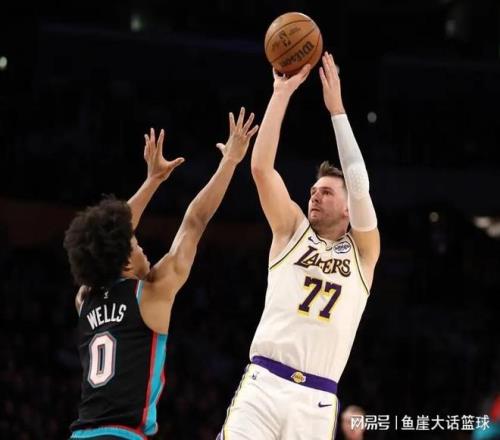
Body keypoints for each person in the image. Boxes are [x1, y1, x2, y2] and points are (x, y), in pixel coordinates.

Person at [64, 108, 258, 440]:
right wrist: (230, 162)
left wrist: (152, 180)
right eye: (136, 244)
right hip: (123, 435)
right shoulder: (150, 292)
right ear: (125, 263)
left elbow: (105, 235)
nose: (142, 247)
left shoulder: (85, 299)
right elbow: (194, 221)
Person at [218, 52, 380, 440]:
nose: (314, 195)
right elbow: (261, 169)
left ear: (348, 209)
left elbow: (358, 183)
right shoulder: (292, 229)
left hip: (316, 400)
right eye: (313, 190)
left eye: (326, 192)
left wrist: (337, 110)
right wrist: (281, 93)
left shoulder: (363, 253)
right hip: (263, 383)